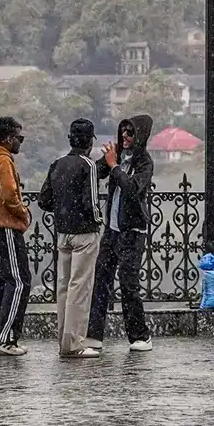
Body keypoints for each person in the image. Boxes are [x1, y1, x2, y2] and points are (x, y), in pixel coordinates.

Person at [87, 114, 155, 353]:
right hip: (112, 230)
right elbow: (96, 172)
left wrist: (115, 166)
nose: (125, 137)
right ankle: (94, 335)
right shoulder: (117, 154)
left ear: (140, 136)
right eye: (123, 131)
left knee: (128, 284)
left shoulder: (144, 162)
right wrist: (105, 161)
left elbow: (132, 189)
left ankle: (140, 335)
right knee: (100, 280)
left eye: (130, 133)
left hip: (132, 231)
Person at [38, 118, 102, 359]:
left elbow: (44, 200)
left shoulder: (57, 164)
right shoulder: (88, 165)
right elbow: (92, 203)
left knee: (63, 287)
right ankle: (74, 342)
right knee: (80, 288)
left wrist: (63, 207)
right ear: (89, 142)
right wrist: (98, 220)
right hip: (84, 233)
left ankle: (63, 340)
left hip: (62, 232)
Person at [0, 116, 33, 356]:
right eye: (19, 138)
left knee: (0, 284)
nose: (21, 142)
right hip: (6, 227)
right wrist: (23, 213)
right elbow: (10, 194)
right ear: (8, 138)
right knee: (20, 281)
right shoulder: (3, 160)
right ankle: (5, 337)